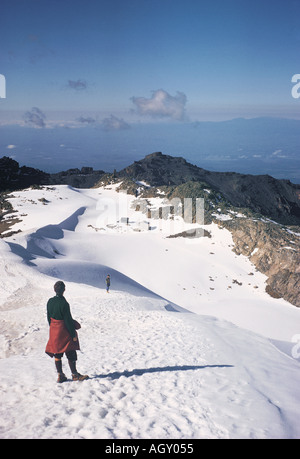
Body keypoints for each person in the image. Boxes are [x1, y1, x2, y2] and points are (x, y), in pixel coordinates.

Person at [45, 281, 88, 383]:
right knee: (71, 351)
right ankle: (74, 374)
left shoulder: (50, 301)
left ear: (54, 290)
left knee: (57, 353)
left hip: (54, 330)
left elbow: (48, 318)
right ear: (64, 290)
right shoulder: (64, 303)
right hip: (64, 331)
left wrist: (53, 329)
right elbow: (68, 320)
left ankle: (60, 375)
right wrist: (73, 334)